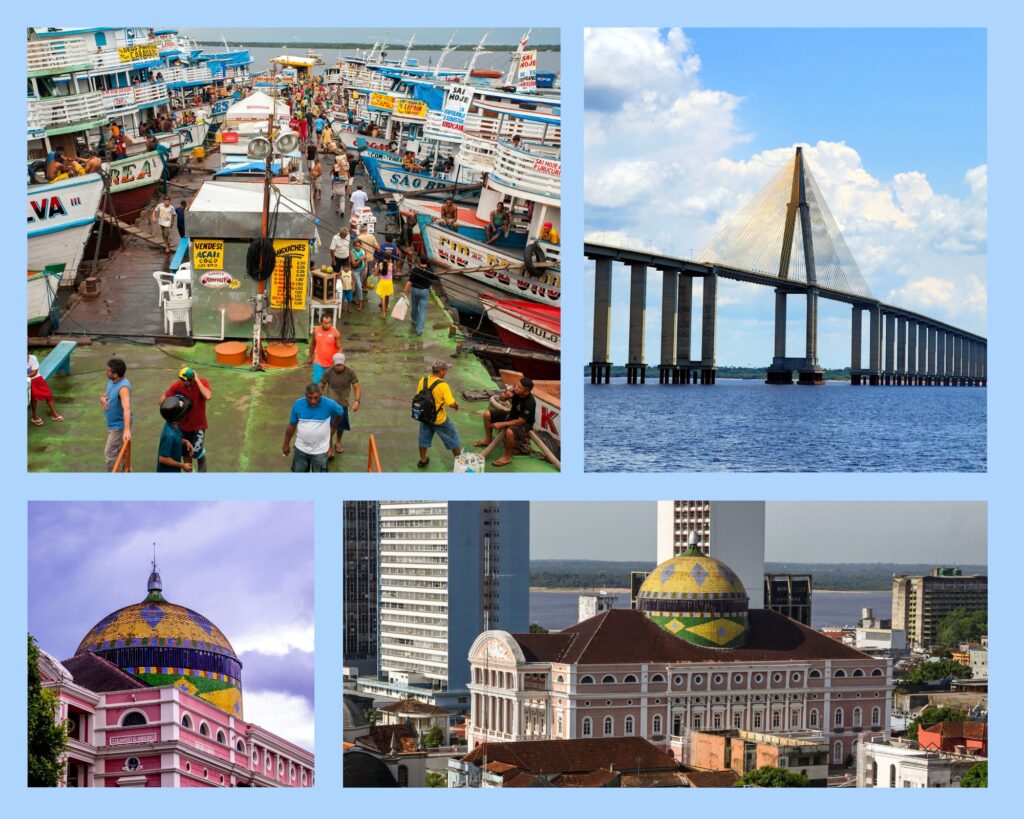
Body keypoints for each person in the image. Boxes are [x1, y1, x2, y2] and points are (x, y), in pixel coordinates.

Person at [282, 382, 346, 472]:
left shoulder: (329, 404)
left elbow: (340, 412)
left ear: (321, 394)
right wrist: (286, 444)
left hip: (320, 451)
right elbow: (292, 425)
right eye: (309, 397)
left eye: (316, 398)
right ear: (306, 395)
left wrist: (334, 428)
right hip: (301, 449)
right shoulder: (298, 404)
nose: (313, 401)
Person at [473, 377, 537, 467]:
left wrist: (501, 424)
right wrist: (507, 395)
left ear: (526, 391)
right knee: (487, 414)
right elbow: (501, 399)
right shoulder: (515, 391)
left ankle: (507, 456)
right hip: (511, 415)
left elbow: (520, 421)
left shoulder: (530, 403)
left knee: (509, 432)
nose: (516, 388)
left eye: (520, 387)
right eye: (516, 385)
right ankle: (488, 440)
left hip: (524, 423)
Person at [160, 367, 211, 472]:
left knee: (196, 453)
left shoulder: (201, 382)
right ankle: (190, 472)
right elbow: (161, 401)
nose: (181, 384)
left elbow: (208, 396)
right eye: (180, 380)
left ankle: (201, 454)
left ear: (192, 380)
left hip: (198, 425)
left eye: (184, 382)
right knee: (186, 453)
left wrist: (197, 380)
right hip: (183, 426)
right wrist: (177, 402)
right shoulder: (177, 385)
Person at [414, 360, 461, 468]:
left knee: (423, 438)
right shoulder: (443, 385)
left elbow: (418, 396)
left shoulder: (423, 380)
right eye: (446, 370)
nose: (446, 372)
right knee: (453, 437)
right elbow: (451, 403)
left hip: (424, 417)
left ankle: (423, 460)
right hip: (439, 419)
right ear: (442, 371)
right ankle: (459, 462)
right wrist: (456, 406)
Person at [319, 352, 360, 457]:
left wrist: (357, 401)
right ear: (333, 363)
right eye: (337, 364)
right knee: (329, 426)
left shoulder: (350, 372)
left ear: (344, 363)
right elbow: (321, 386)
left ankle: (338, 441)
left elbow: (356, 388)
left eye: (341, 364)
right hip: (330, 405)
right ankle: (329, 446)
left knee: (341, 426)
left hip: (343, 404)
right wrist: (318, 400)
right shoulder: (328, 372)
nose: (339, 366)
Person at [100, 358, 132, 471]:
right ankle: (125, 470)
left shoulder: (123, 388)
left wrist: (127, 429)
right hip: (112, 424)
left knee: (109, 453)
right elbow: (106, 393)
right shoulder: (112, 381)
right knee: (119, 451)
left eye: (108, 370)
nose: (106, 372)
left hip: (119, 426)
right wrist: (102, 398)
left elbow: (127, 408)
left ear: (115, 374)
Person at [156, 394, 194, 473]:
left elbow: (176, 439)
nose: (186, 415)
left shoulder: (175, 425)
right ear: (178, 416)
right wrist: (182, 465)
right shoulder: (169, 435)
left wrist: (185, 441)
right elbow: (163, 458)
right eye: (184, 413)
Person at [306, 313, 342, 383]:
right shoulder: (316, 331)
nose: (328, 325)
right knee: (316, 382)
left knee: (332, 383)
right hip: (318, 361)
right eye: (325, 323)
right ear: (321, 323)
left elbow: (339, 348)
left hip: (331, 363)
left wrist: (337, 361)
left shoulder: (336, 333)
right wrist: (310, 357)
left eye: (329, 323)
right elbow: (313, 344)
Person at [27, 354, 63, 426]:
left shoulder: (33, 358)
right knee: (34, 397)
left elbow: (34, 373)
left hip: (37, 378)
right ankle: (34, 417)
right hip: (27, 381)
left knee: (48, 394)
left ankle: (55, 414)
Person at [403, 262, 433, 335]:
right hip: (424, 291)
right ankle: (419, 330)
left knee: (414, 306)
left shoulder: (415, 269)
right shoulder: (430, 270)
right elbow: (435, 278)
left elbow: (410, 282)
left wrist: (405, 291)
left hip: (415, 290)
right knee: (422, 311)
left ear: (420, 261)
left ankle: (414, 321)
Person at [349, 239, 367, 310]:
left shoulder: (363, 251)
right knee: (359, 287)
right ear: (354, 246)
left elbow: (366, 260)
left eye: (359, 246)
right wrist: (360, 259)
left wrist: (366, 268)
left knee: (357, 285)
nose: (358, 247)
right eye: (356, 246)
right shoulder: (352, 252)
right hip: (355, 271)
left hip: (362, 270)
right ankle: (360, 303)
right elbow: (353, 264)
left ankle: (353, 298)